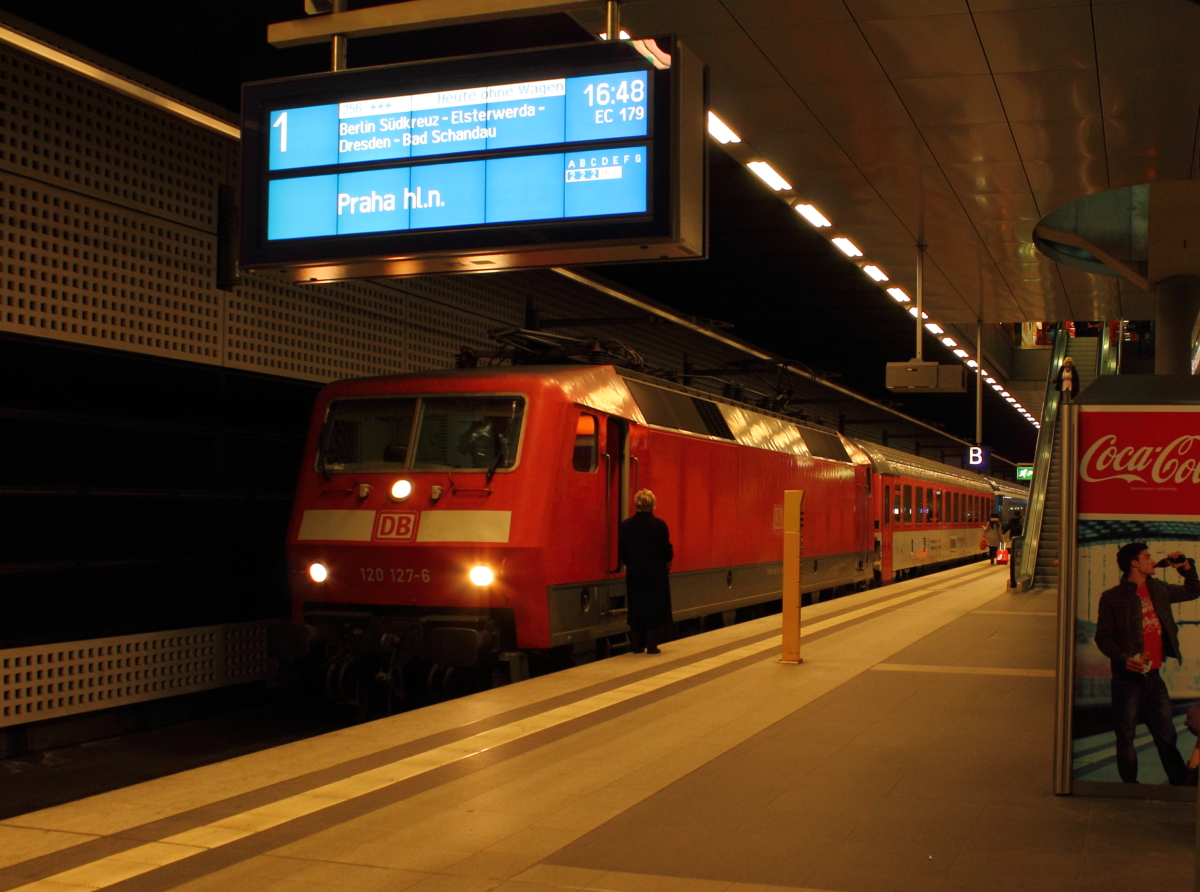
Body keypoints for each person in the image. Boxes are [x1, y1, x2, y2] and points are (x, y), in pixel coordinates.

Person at [1094, 543, 1200, 785]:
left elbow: (1194, 591)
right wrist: (1124, 658)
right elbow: (1103, 638)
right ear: (1134, 563)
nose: (1153, 561)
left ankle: (1178, 785)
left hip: (1153, 675)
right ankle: (1130, 787)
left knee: (1167, 735)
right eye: (1147, 557)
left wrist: (1185, 568)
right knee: (1126, 736)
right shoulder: (1112, 597)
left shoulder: (1159, 589)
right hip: (1125, 678)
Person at [619, 489, 674, 654]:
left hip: (635, 573)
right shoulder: (659, 525)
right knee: (654, 608)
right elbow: (666, 551)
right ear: (653, 505)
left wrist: (631, 563)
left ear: (636, 505)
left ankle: (636, 645)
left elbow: (622, 552)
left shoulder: (626, 525)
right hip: (655, 573)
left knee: (636, 606)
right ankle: (651, 645)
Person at [1003, 513, 1024, 587]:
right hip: (1019, 537)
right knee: (1019, 548)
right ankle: (1019, 558)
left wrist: (1003, 532)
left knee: (1013, 548)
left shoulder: (1011, 521)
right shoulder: (1021, 521)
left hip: (1012, 537)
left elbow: (1006, 528)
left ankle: (1014, 557)